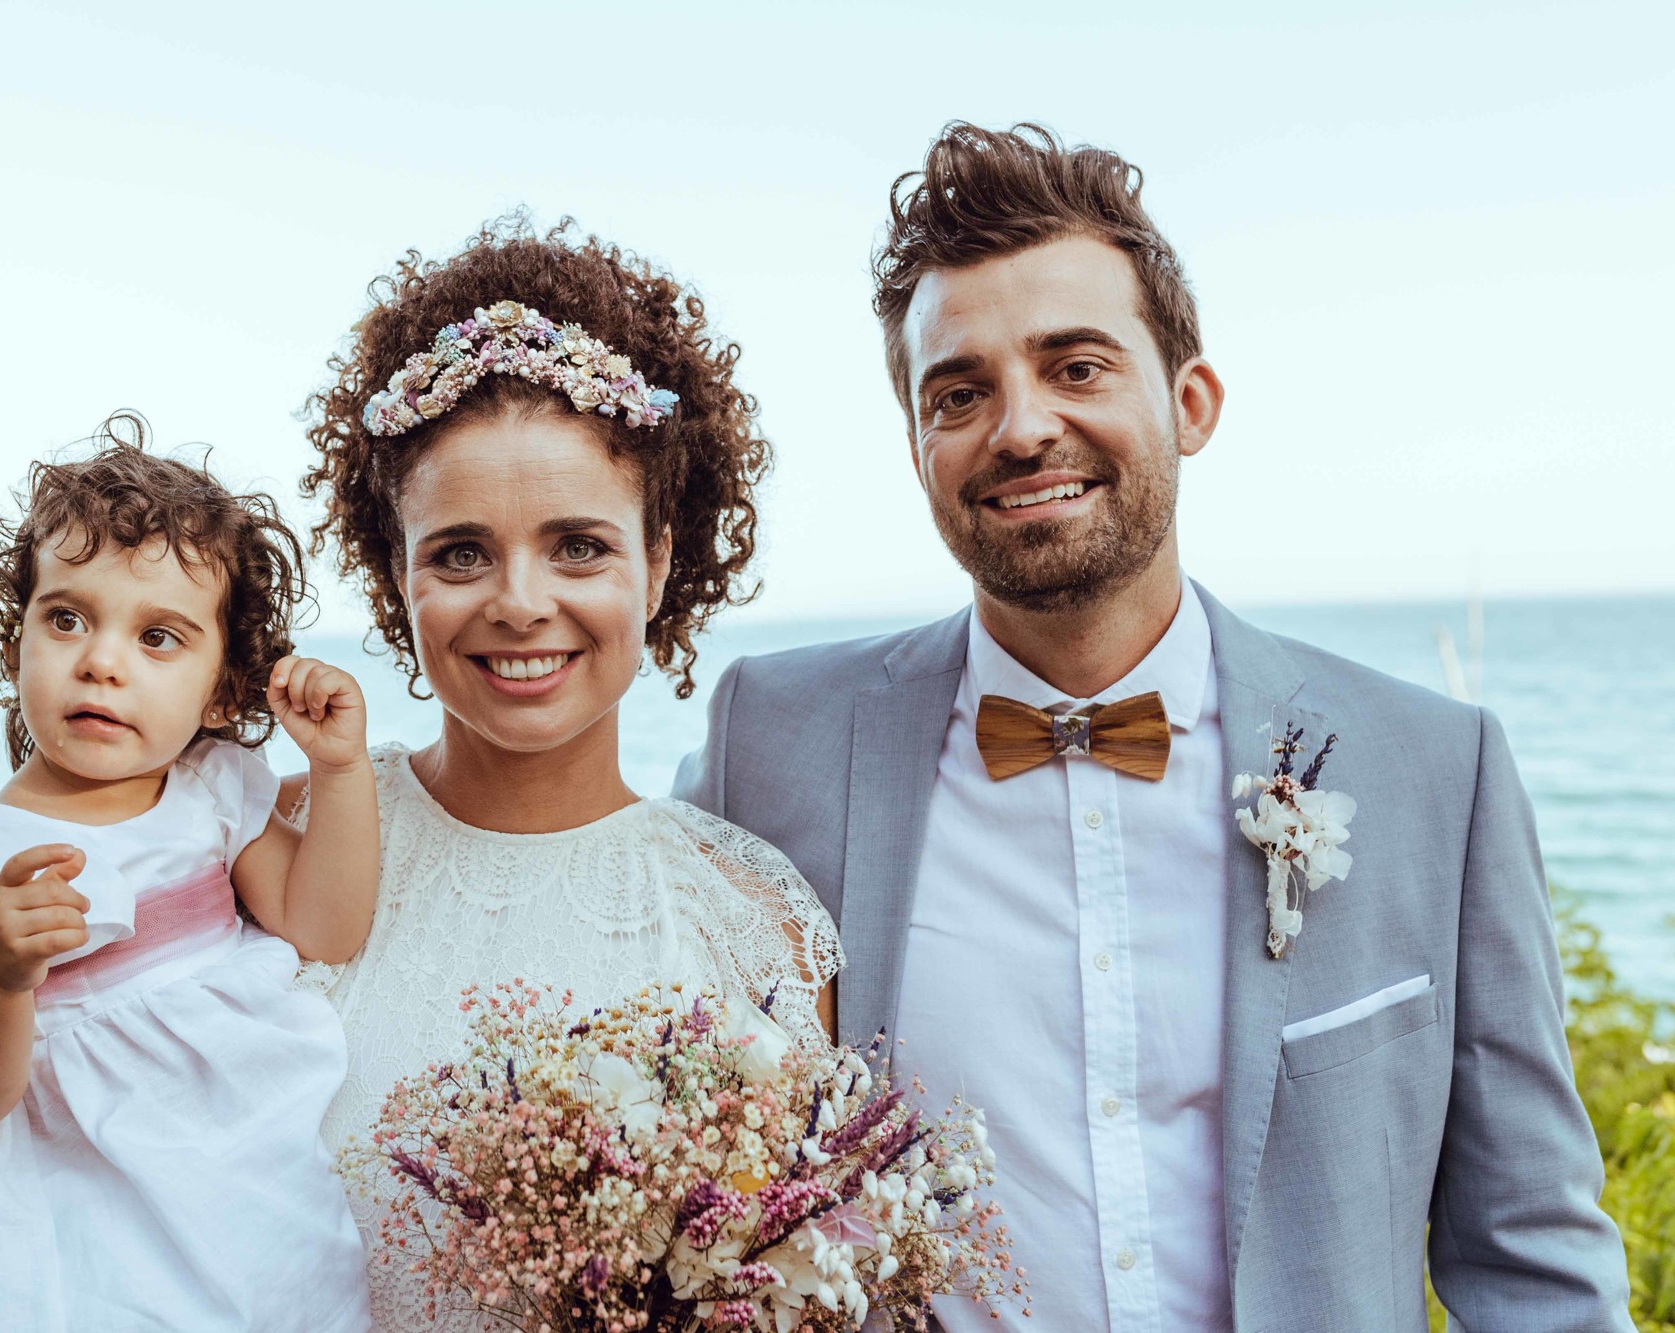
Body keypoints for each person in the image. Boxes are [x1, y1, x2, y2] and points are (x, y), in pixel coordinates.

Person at [674, 123, 1633, 1331]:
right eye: (958, 392)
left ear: (1189, 402)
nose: (1019, 428)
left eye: (1075, 366)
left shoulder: (1434, 773)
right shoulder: (770, 743)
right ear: (916, 447)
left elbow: (1530, 1259)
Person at [289, 218, 842, 1331]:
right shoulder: (285, 854)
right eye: (459, 552)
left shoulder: (752, 923)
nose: (519, 602)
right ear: (395, 580)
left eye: (578, 545)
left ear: (658, 562)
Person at [0, 421, 377, 1332]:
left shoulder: (211, 787)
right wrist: (3, 975)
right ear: (16, 643)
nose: (100, 658)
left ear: (221, 690)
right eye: (65, 617)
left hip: (230, 1168)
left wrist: (339, 771)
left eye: (159, 637)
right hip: (57, 1202)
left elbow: (322, 926)